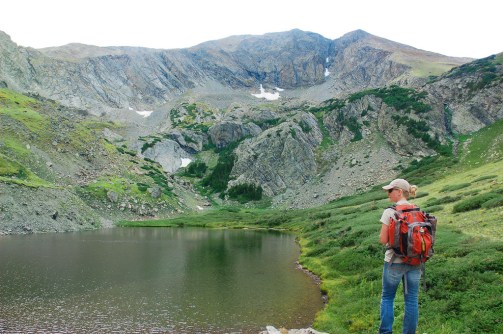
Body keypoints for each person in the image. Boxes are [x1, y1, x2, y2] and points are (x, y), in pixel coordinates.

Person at [378, 178, 420, 334]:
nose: (388, 194)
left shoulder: (390, 211)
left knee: (388, 298)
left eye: (390, 191)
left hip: (394, 262)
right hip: (415, 261)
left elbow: (383, 240)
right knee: (412, 300)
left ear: (399, 192)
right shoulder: (417, 210)